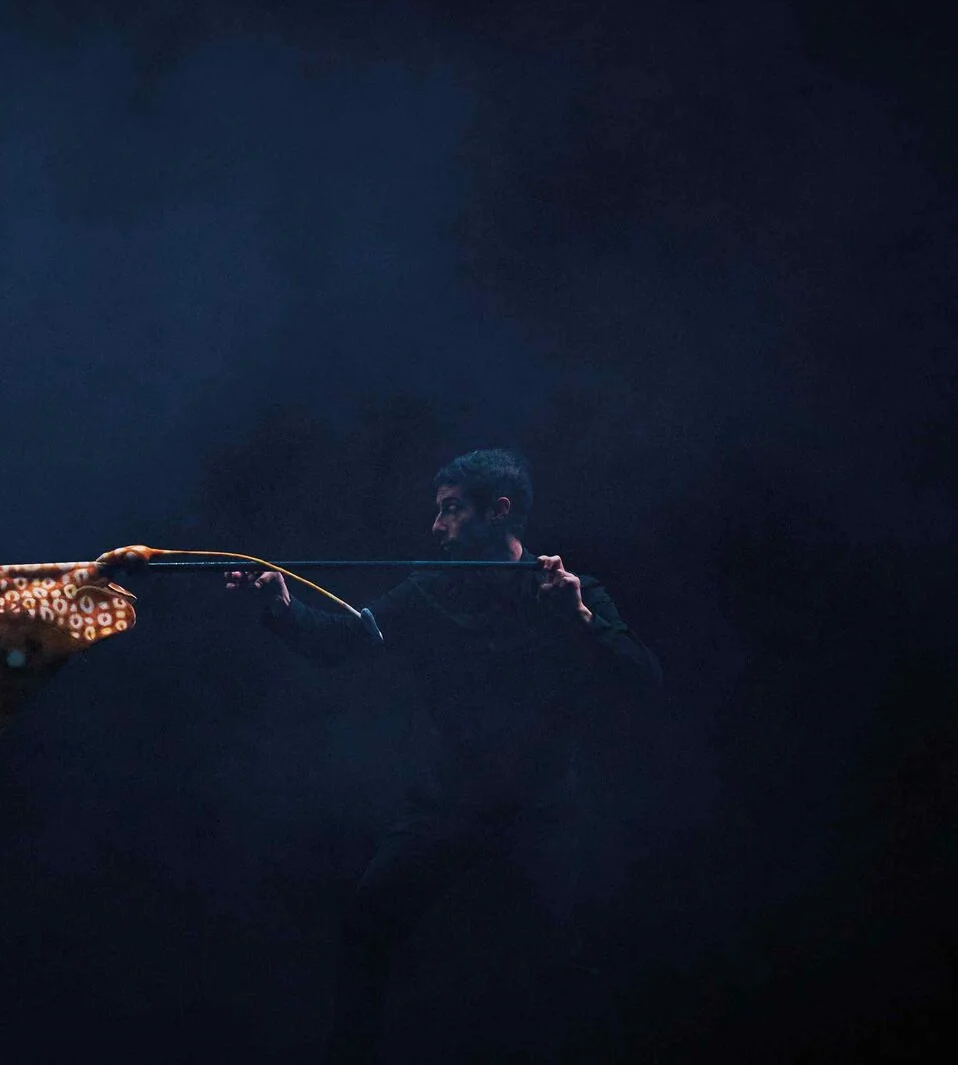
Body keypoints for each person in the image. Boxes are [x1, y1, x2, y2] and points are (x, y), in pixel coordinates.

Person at [225, 448, 661, 1062]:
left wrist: (581, 618)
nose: (437, 526)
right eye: (439, 511)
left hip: (540, 810)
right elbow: (343, 643)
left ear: (498, 511)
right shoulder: (429, 591)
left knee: (567, 958)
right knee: (368, 926)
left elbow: (643, 683)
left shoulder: (566, 593)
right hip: (449, 806)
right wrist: (281, 605)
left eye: (451, 510)